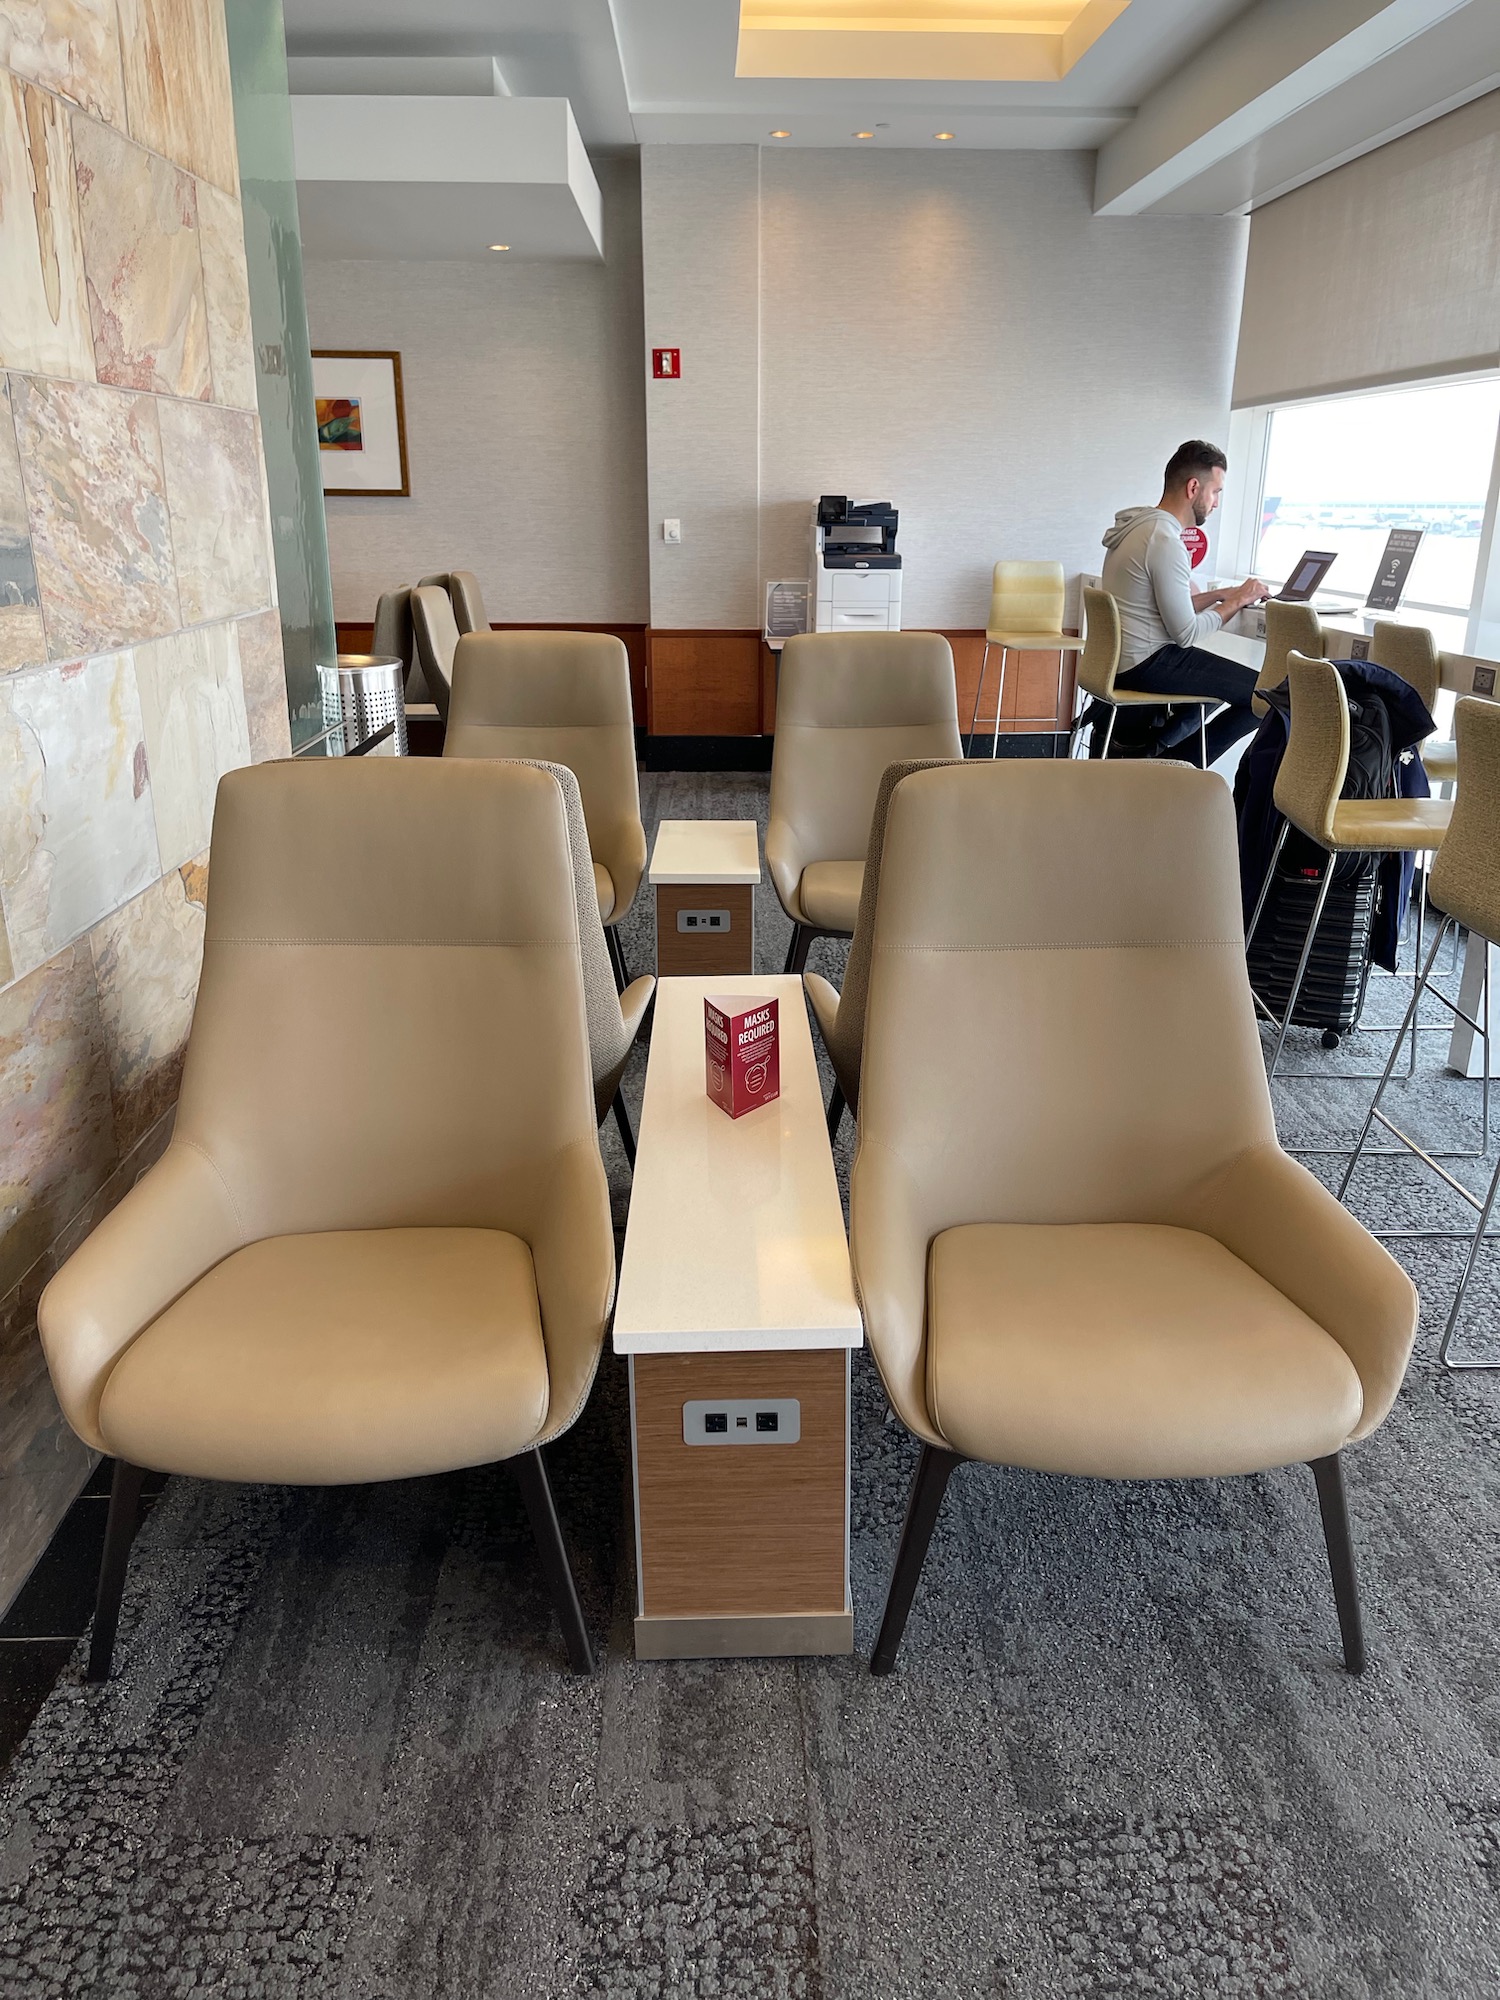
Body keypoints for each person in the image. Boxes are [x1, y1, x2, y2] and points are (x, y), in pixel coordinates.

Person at [1098, 440, 1268, 764]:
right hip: (1146, 662)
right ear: (1194, 487)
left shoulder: (1140, 529)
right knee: (1265, 696)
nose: (1216, 503)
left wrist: (1220, 596)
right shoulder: (1164, 540)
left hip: (1123, 659)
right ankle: (1176, 770)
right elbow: (1186, 634)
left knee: (1221, 685)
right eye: (1215, 491)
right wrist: (1238, 601)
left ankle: (1155, 756)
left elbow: (1164, 604)